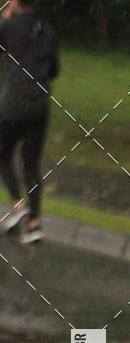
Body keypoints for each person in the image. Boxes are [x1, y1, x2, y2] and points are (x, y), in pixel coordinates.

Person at [0, 0, 59, 243]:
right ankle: (34, 224)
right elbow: (54, 69)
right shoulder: (47, 30)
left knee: (2, 155)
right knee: (31, 164)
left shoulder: (7, 26)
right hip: (39, 106)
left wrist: (5, 20)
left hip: (12, 105)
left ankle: (18, 204)